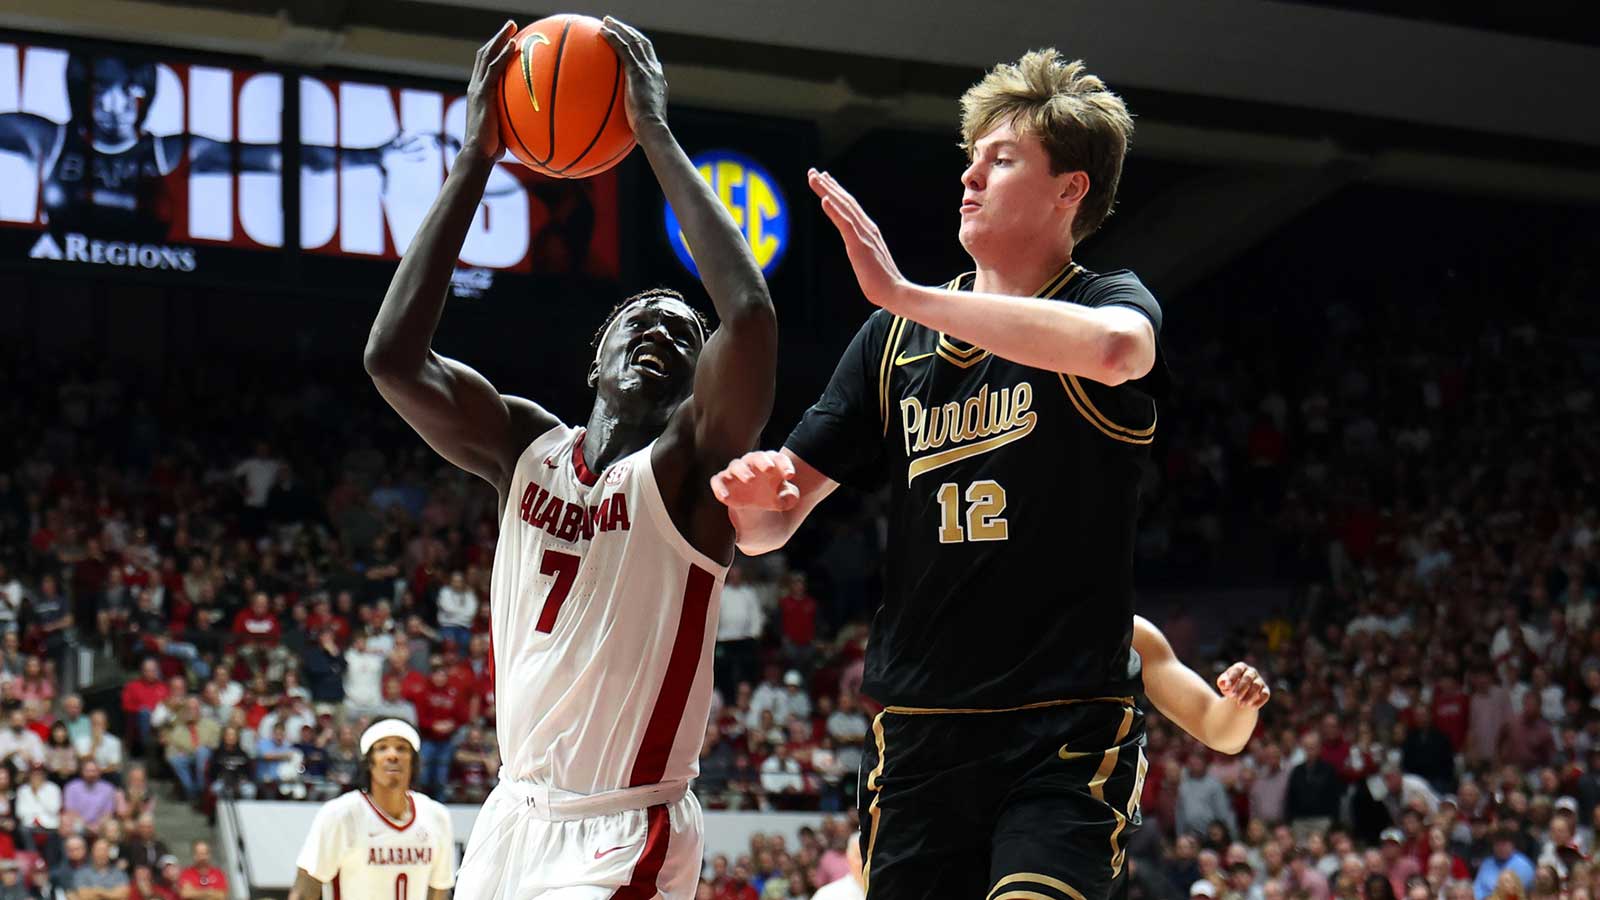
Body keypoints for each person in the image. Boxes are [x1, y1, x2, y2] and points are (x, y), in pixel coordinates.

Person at [710, 48, 1161, 900]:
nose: (971, 178)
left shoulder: (1109, 296)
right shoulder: (890, 345)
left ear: (1071, 189)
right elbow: (776, 522)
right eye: (968, 160)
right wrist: (757, 503)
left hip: (1064, 725)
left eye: (1001, 158)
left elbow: (1112, 354)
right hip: (920, 730)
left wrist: (904, 292)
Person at [362, 17, 777, 900]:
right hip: (514, 816)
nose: (664, 333)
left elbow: (747, 319)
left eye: (681, 334)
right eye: (643, 322)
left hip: (626, 824)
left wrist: (653, 132)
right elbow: (393, 359)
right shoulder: (524, 447)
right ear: (597, 359)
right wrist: (476, 158)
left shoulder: (686, 470)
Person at [0, 52, 420, 240]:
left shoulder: (170, 152)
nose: (116, 104)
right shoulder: (47, 138)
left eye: (130, 90)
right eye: (102, 88)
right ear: (80, 90)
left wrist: (372, 156)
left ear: (145, 94)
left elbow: (282, 158)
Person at [288, 720, 454, 900]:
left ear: (414, 762)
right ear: (369, 762)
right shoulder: (341, 814)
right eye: (382, 748)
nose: (392, 755)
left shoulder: (437, 816)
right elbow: (304, 890)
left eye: (401, 748)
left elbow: (439, 890)